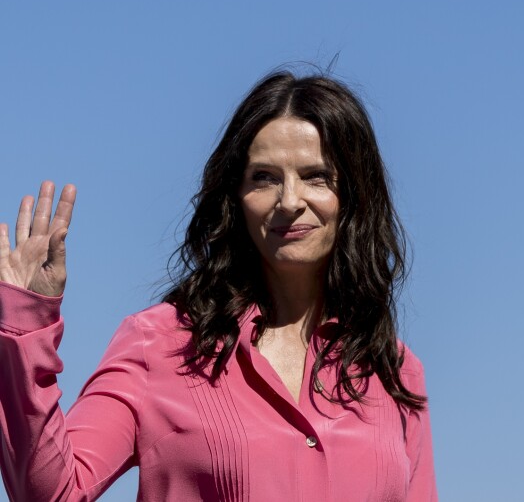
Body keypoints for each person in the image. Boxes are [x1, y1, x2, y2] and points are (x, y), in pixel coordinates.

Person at [0, 71, 437, 501]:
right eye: (264, 177)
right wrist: (24, 324)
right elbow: (51, 492)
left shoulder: (395, 370)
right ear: (236, 197)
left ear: (355, 196)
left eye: (316, 176)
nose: (289, 200)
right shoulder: (158, 344)